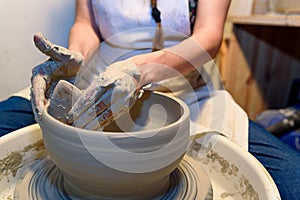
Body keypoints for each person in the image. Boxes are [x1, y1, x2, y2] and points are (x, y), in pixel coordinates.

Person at [0, 0, 299, 199]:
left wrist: (140, 71)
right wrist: (76, 57)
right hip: (99, 82)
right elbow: (86, 24)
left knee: (292, 182)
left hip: (186, 90)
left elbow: (209, 36)